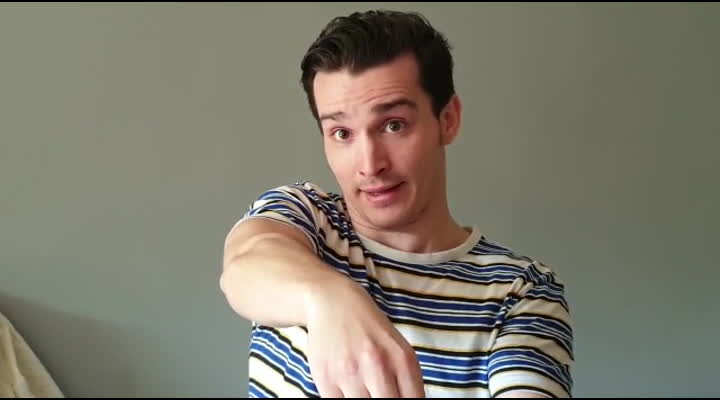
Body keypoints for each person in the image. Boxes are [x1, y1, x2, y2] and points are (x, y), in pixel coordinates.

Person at [220, 9, 573, 398]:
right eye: (342, 133)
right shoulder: (306, 217)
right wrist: (329, 299)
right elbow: (245, 267)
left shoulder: (521, 290)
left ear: (448, 120)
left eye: (394, 125)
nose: (370, 165)